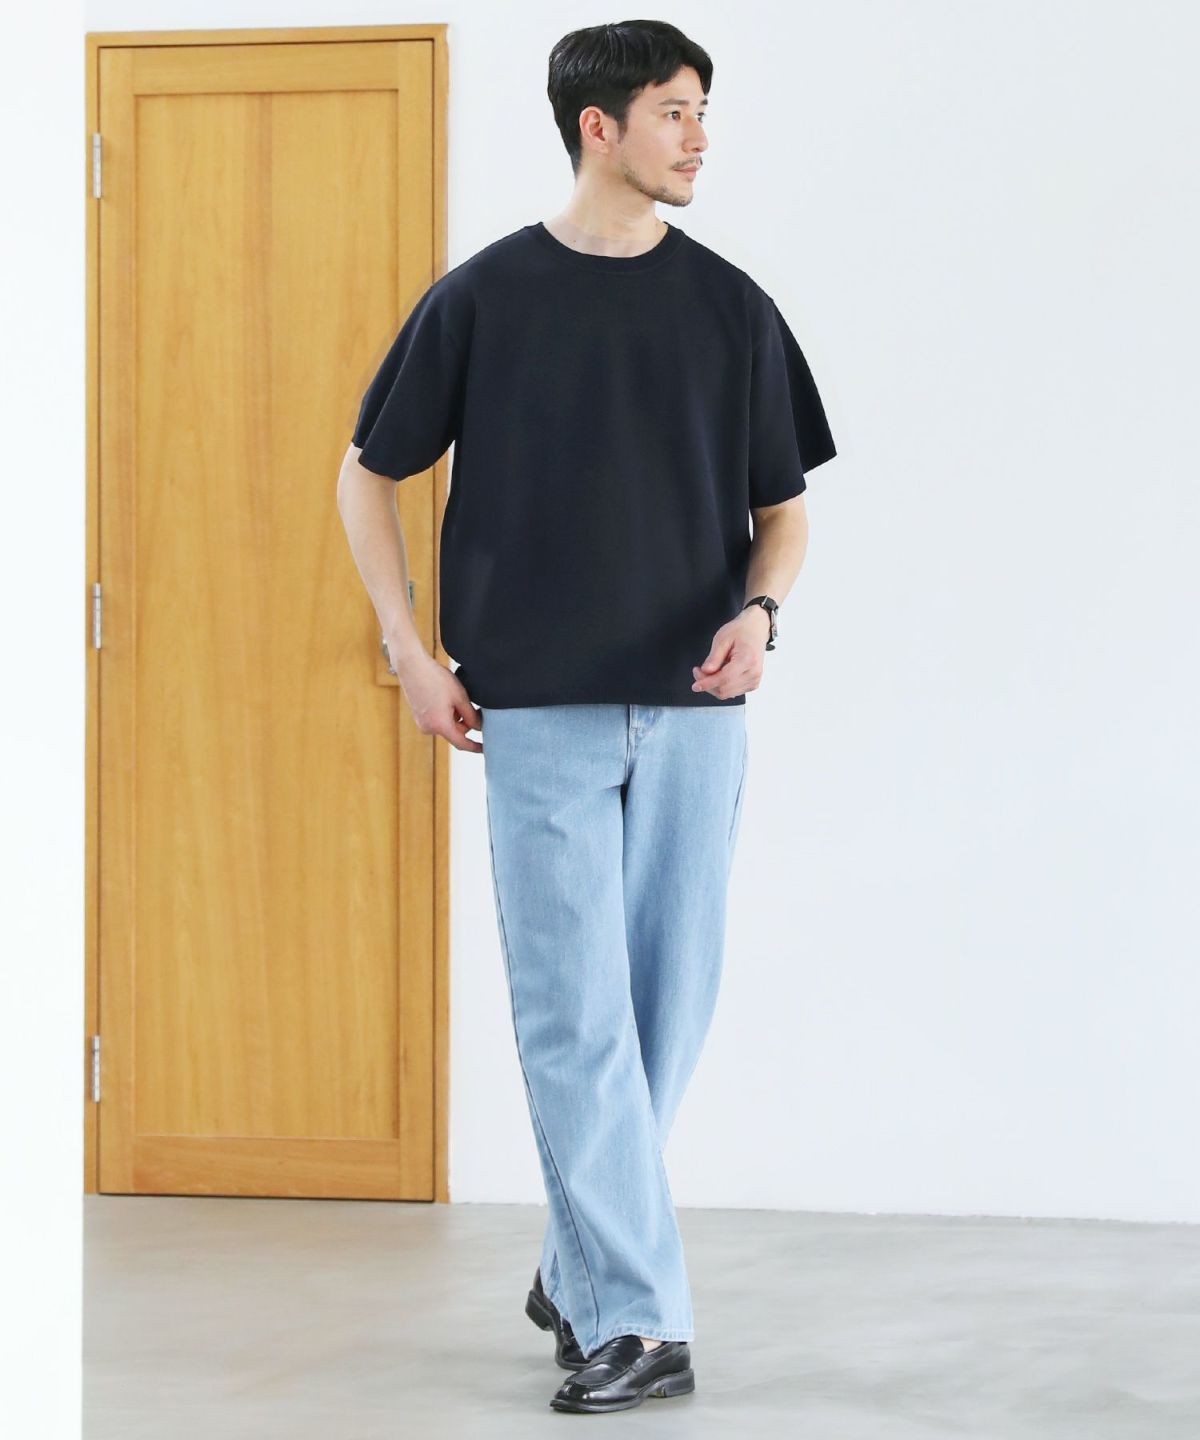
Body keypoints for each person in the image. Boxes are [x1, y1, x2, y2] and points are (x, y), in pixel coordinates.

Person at [336, 19, 836, 1415]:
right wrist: (408, 650)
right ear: (597, 126)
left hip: (695, 710)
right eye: (675, 111)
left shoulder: (731, 308)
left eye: (703, 111)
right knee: (575, 1019)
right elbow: (367, 473)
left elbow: (785, 511)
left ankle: (578, 1260)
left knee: (664, 1014)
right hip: (538, 712)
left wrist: (762, 613)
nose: (699, 137)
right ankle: (640, 1320)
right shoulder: (484, 298)